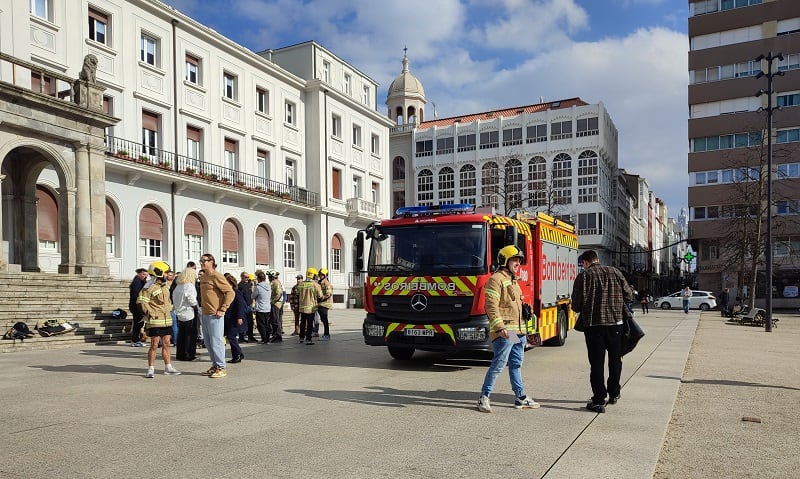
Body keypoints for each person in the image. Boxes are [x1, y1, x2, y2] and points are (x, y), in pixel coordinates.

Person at [477, 245, 539, 413]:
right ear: (504, 260)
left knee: (516, 364)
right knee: (499, 364)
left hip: (517, 332)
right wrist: (499, 327)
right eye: (515, 260)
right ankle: (484, 397)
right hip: (506, 331)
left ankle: (520, 397)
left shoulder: (513, 280)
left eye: (519, 260)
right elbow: (491, 306)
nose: (518, 263)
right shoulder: (496, 279)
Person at [571, 250, 633, 413]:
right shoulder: (615, 272)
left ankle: (599, 400)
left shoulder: (583, 277)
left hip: (593, 326)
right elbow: (629, 295)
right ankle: (614, 393)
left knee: (596, 364)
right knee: (615, 360)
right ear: (597, 259)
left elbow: (575, 305)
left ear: (585, 262)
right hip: (616, 324)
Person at [137, 261, 181, 378]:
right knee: (154, 345)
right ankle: (151, 369)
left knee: (167, 344)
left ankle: (168, 367)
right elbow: (141, 302)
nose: (168, 275)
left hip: (167, 319)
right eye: (166, 273)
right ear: (159, 272)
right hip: (155, 321)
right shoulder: (148, 287)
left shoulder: (165, 286)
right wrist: (150, 313)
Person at [198, 253, 235, 379]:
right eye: (201, 260)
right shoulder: (203, 277)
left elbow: (230, 292)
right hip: (205, 313)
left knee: (217, 341)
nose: (202, 262)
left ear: (211, 262)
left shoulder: (217, 276)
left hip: (215, 314)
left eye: (204, 260)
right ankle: (215, 365)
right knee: (208, 342)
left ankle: (221, 367)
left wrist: (223, 309)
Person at [172, 268, 199, 361]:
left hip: (180, 312)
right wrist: (195, 306)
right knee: (190, 334)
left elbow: (173, 297)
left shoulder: (178, 286)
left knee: (181, 334)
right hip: (189, 312)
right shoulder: (189, 286)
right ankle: (189, 354)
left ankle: (180, 354)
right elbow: (191, 299)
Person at [223, 273, 249, 363]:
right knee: (231, 337)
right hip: (228, 318)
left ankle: (238, 353)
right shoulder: (226, 293)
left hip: (234, 318)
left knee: (231, 336)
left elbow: (240, 305)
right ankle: (236, 355)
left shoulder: (236, 292)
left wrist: (240, 317)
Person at [297, 267, 324, 345]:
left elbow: (297, 294)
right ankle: (308, 339)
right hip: (311, 308)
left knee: (302, 323)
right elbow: (320, 296)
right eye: (316, 275)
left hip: (302, 308)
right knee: (310, 324)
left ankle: (301, 338)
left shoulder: (301, 284)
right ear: (313, 275)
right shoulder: (315, 285)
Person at [129, 268, 149, 347]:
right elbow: (136, 295)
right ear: (139, 274)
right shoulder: (137, 282)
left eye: (146, 275)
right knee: (138, 323)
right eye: (143, 274)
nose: (145, 276)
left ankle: (136, 339)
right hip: (136, 306)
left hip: (138, 305)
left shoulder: (142, 282)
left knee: (139, 323)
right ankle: (135, 340)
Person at [252, 271, 271, 343]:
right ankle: (268, 338)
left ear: (259, 279)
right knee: (267, 324)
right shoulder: (269, 286)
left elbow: (253, 296)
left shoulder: (258, 287)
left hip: (260, 308)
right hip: (268, 308)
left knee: (261, 325)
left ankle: (264, 339)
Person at [238, 272, 256, 343]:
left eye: (248, 277)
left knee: (250, 322)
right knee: (242, 322)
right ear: (241, 277)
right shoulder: (240, 285)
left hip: (249, 305)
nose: (247, 279)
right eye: (246, 277)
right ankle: (241, 337)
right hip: (243, 306)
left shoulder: (249, 285)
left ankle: (250, 337)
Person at [268, 270, 285, 342]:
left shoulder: (276, 283)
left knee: (276, 320)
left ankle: (277, 336)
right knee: (274, 320)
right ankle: (275, 335)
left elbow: (279, 293)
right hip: (276, 303)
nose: (268, 278)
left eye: (269, 277)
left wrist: (273, 301)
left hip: (276, 304)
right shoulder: (274, 283)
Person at [316, 268, 333, 340]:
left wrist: (321, 298)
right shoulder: (320, 282)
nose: (320, 276)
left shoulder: (326, 283)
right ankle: (326, 334)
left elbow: (328, 293)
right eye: (320, 274)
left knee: (324, 319)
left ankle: (327, 334)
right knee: (323, 319)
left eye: (322, 275)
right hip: (320, 304)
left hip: (325, 304)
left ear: (325, 275)